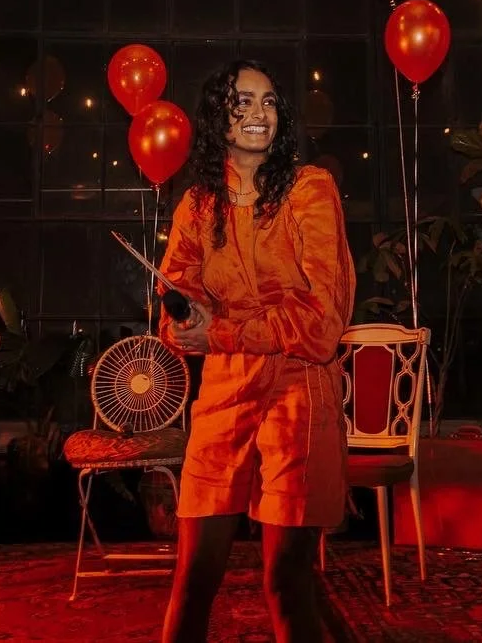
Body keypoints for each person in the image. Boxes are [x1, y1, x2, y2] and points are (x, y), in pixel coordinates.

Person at [157, 60, 355, 643]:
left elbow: (322, 325)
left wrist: (221, 331)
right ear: (219, 116)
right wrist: (183, 317)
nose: (259, 114)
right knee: (193, 576)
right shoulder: (197, 205)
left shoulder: (310, 188)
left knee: (285, 577)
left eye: (269, 103)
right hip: (224, 390)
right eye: (243, 102)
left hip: (300, 386)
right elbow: (177, 305)